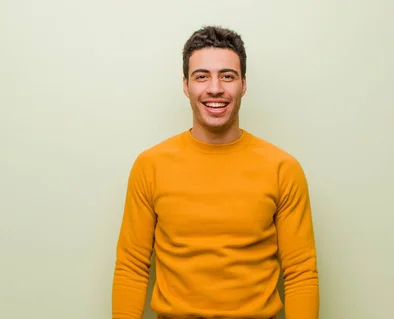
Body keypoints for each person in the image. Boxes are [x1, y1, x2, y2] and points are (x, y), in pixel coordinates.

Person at [112, 25, 319, 319]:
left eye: (227, 76)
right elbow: (131, 267)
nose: (215, 88)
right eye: (201, 76)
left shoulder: (283, 169)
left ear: (243, 84)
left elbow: (301, 273)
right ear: (186, 85)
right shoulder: (150, 166)